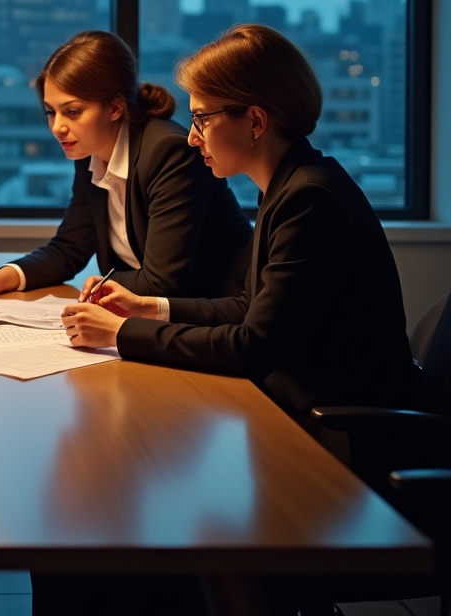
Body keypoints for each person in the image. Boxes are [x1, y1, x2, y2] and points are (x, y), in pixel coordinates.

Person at [62, 24, 420, 417]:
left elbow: (253, 347)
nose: (192, 138)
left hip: (340, 426)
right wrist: (147, 308)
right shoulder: (288, 184)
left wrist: (120, 333)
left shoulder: (310, 199)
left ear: (254, 121)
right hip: (299, 401)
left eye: (201, 119)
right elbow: (248, 307)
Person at [0, 30, 251, 305]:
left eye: (73, 112)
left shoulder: (167, 151)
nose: (58, 127)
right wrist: (1, 277)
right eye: (51, 113)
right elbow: (68, 249)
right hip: (152, 316)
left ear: (115, 108)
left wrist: (97, 288)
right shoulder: (89, 153)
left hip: (221, 312)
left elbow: (162, 283)